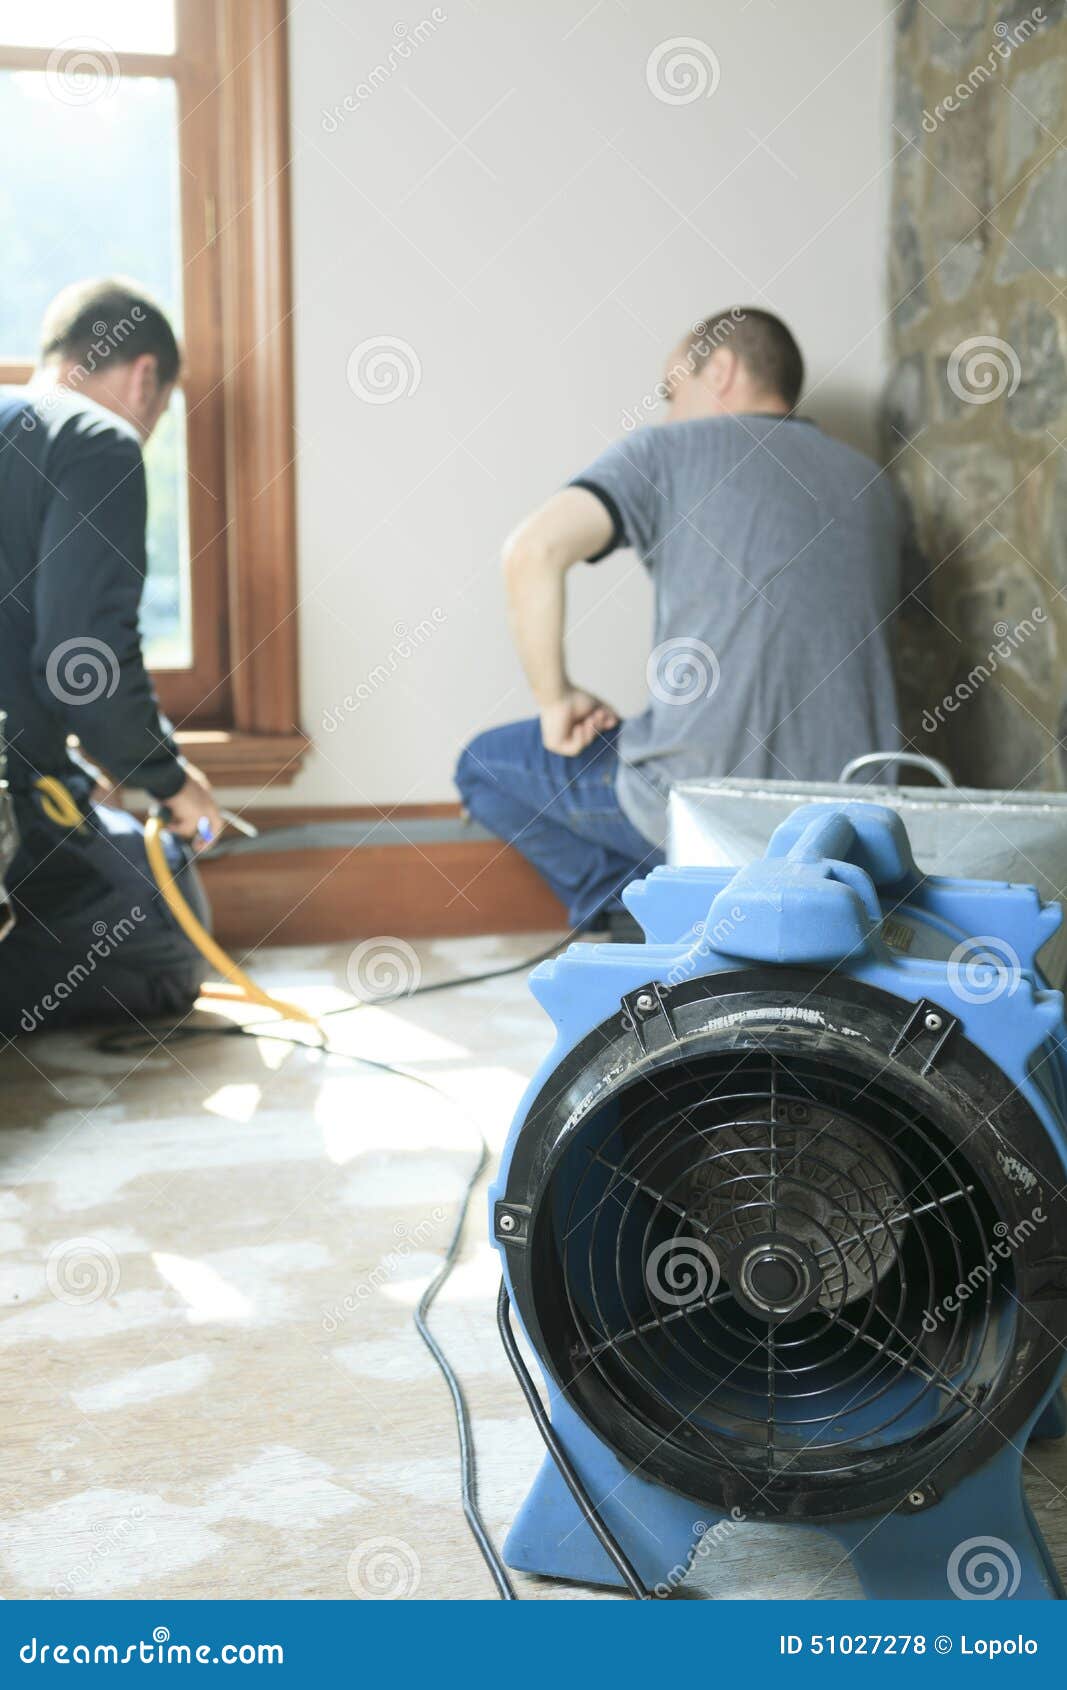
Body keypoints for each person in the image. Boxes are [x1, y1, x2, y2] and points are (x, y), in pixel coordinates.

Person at [455, 307, 905, 932]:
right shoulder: (875, 482)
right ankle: (721, 915)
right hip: (856, 828)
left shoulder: (669, 449)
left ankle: (641, 916)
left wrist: (555, 700)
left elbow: (531, 552)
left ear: (719, 369)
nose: (667, 412)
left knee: (482, 766)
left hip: (707, 810)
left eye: (671, 391)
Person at [0, 278, 222, 1035]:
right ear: (146, 375)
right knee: (163, 940)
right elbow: (79, 658)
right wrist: (163, 776)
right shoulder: (95, 439)